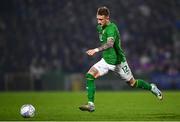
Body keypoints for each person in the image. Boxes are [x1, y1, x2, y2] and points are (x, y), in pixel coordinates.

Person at [79, 6, 163, 112]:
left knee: (133, 83)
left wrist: (95, 50)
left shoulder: (112, 28)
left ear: (107, 18)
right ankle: (91, 104)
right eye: (97, 19)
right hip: (106, 61)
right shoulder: (99, 27)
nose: (99, 21)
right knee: (89, 75)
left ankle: (152, 88)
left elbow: (110, 44)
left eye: (101, 19)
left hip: (119, 62)